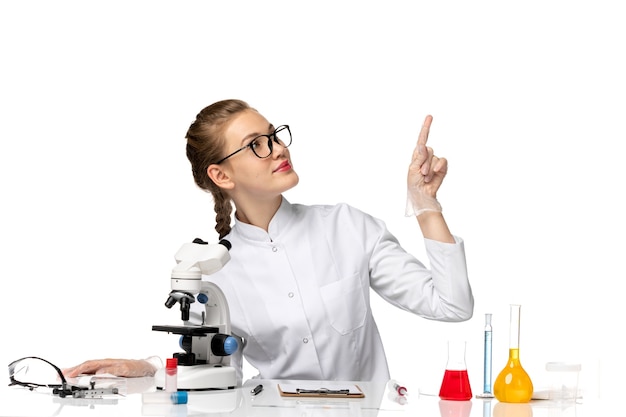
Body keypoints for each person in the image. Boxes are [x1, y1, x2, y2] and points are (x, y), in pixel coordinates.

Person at [63, 99, 474, 384]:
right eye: (256, 145)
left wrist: (425, 205)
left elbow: (452, 305)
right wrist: (146, 367)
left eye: (273, 135)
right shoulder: (215, 271)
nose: (278, 147)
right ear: (222, 176)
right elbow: (208, 371)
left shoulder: (348, 227)